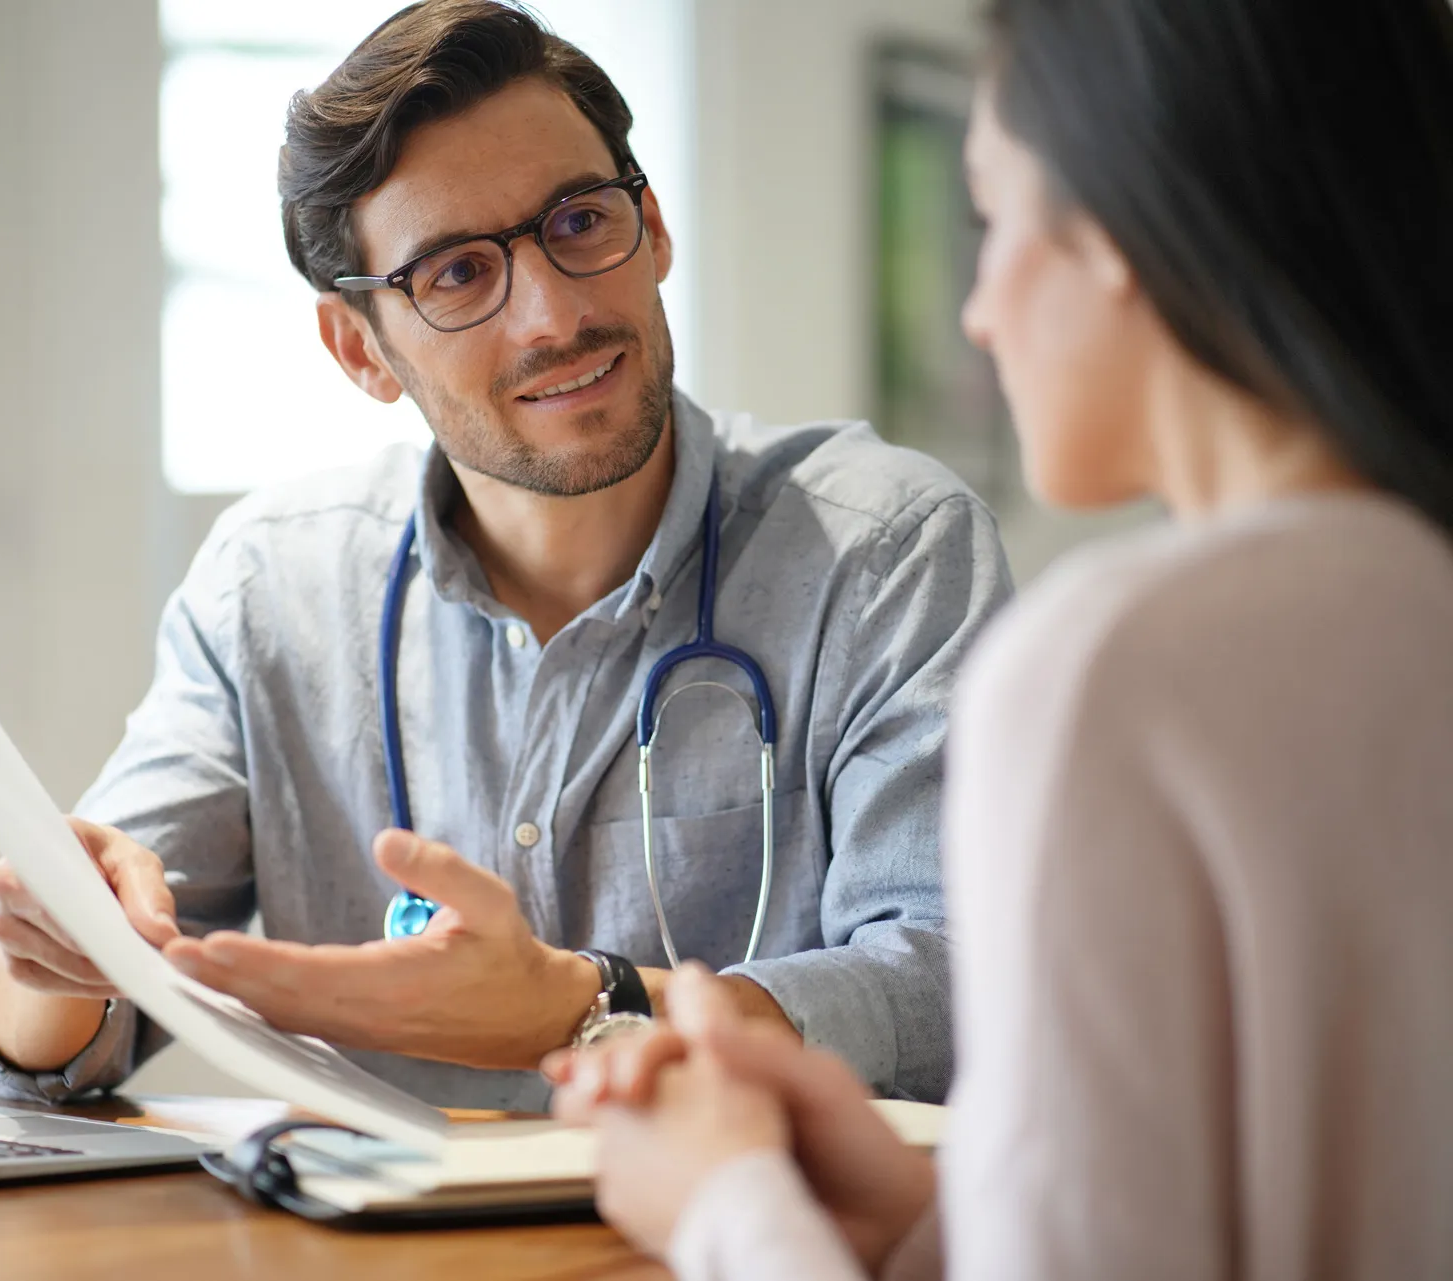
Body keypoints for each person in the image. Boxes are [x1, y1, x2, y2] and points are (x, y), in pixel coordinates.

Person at [0, 0, 1012, 1113]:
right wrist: (51, 946)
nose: (553, 313)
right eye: (455, 274)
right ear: (361, 349)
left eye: (581, 222)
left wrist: (583, 1008)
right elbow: (60, 1026)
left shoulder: (884, 553)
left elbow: (954, 983)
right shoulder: (275, 589)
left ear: (655, 227)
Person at [550, 0, 1453, 1275]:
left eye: (996, 217)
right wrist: (926, 1222)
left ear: (1126, 228)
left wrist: (720, 1204)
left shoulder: (1119, 665)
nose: (978, 310)